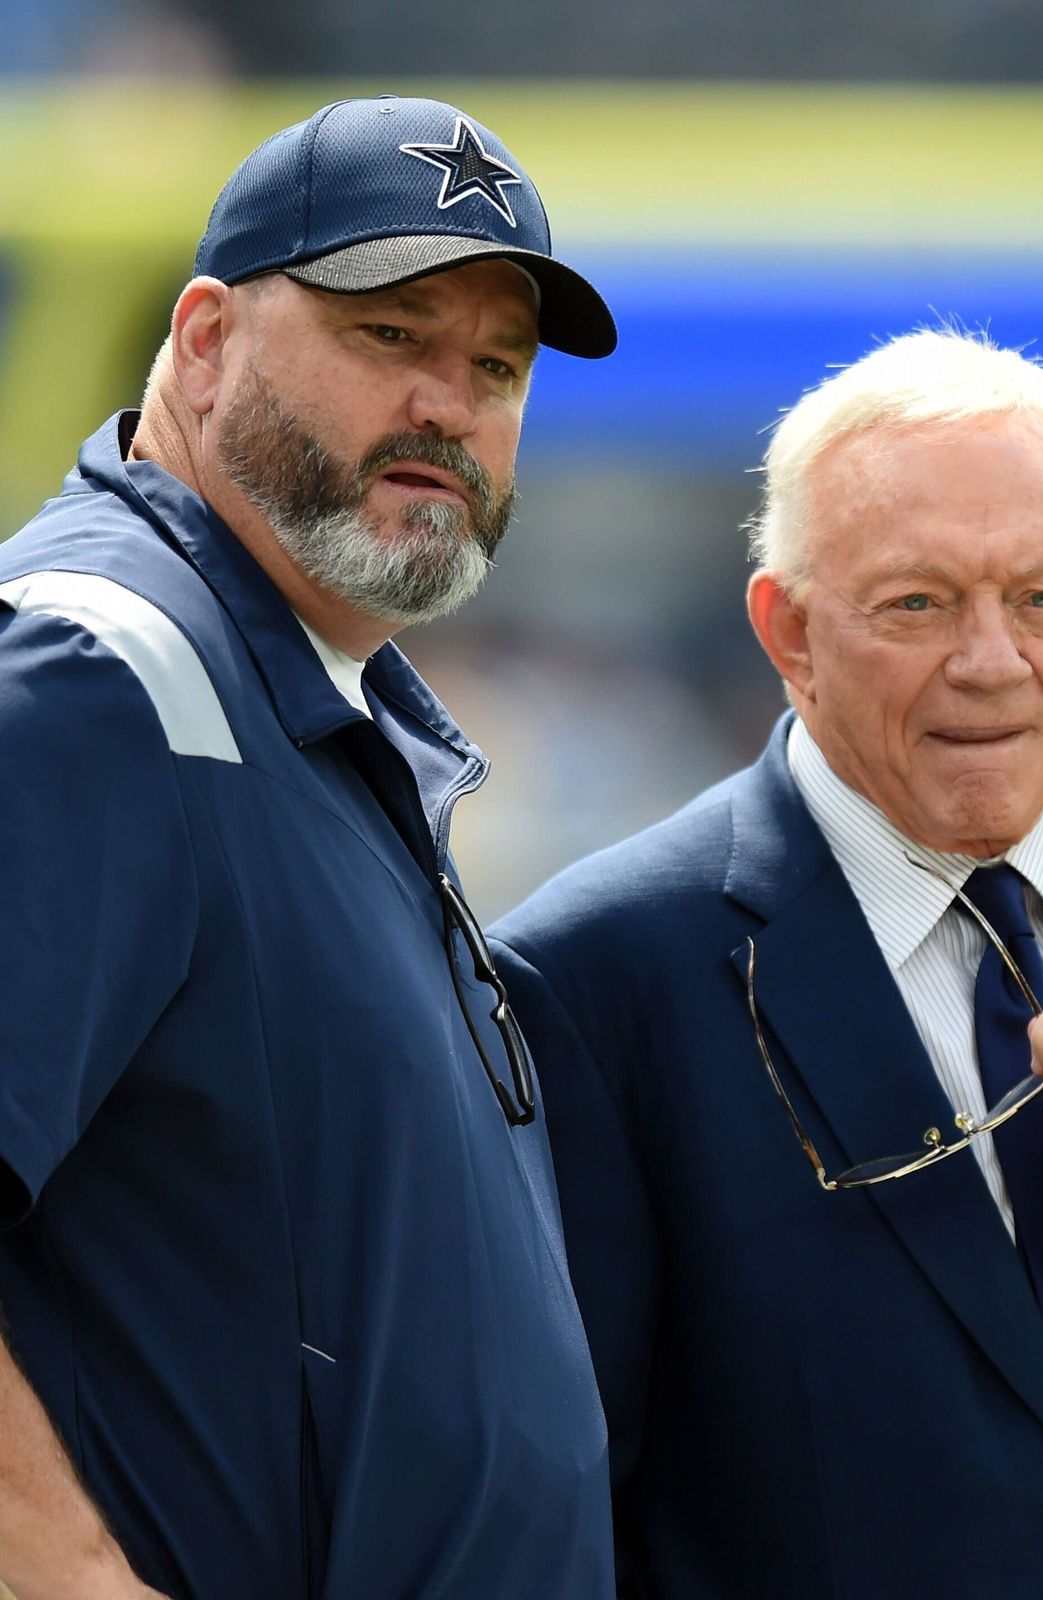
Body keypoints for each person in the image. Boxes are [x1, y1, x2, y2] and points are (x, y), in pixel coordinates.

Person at [0, 95, 618, 1600]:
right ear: (205, 341)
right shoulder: (106, 669)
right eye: (392, 336)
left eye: (496, 366)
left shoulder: (304, 696)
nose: (451, 407)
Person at [489, 328, 1043, 1600]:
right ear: (790, 631)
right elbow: (556, 1506)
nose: (990, 661)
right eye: (918, 603)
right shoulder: (589, 978)